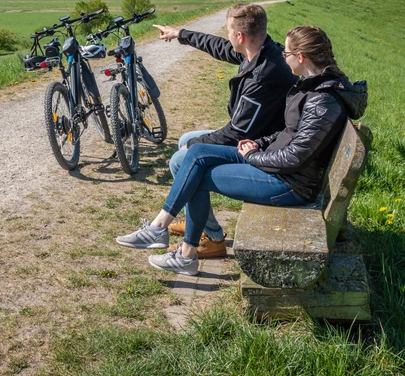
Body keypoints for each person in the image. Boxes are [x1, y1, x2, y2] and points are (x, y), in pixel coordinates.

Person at [116, 25, 367, 275]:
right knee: (197, 154)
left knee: (198, 175)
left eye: (287, 54)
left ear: (301, 58)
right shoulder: (313, 85)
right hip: (275, 164)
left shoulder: (321, 99)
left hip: (290, 184)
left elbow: (295, 157)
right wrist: (260, 143)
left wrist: (253, 156)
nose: (284, 58)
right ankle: (160, 228)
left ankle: (185, 253)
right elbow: (288, 133)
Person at [150, 4, 296, 258]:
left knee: (182, 158)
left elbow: (236, 133)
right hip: (262, 133)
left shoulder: (264, 75)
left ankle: (212, 236)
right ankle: (198, 221)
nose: (227, 36)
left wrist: (196, 144)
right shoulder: (262, 50)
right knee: (186, 141)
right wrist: (179, 33)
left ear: (240, 36)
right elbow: (218, 46)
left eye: (229, 31)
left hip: (263, 145)